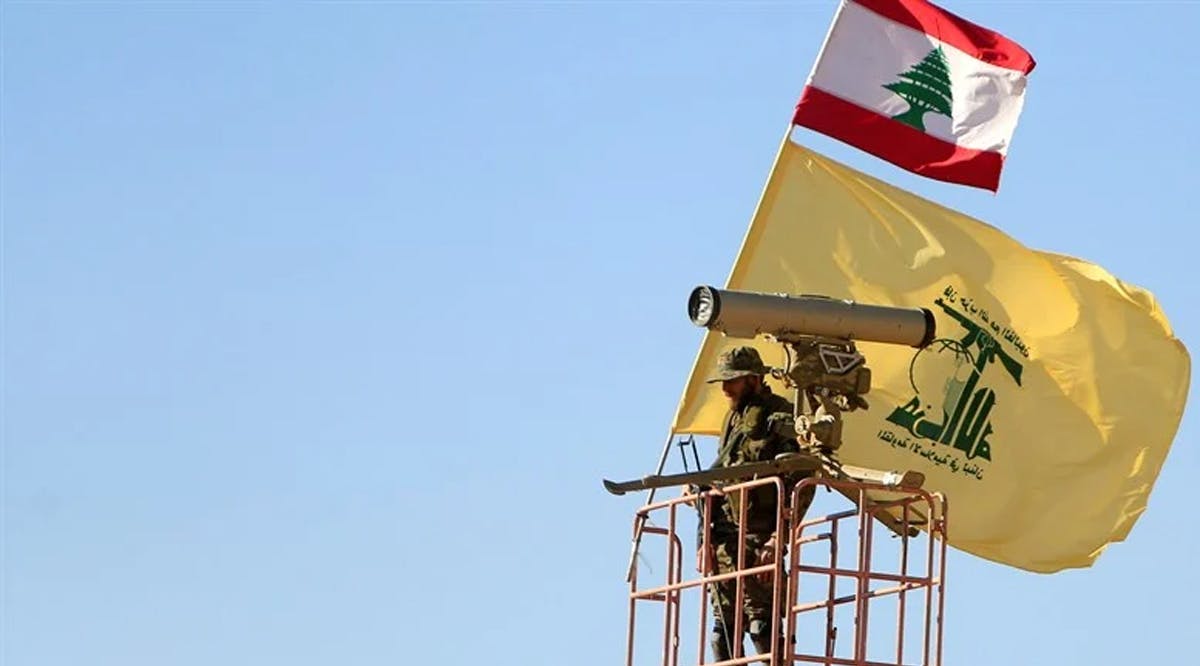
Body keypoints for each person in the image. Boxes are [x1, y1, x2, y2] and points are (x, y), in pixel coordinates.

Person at [696, 345, 815, 663]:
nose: (725, 389)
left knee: (762, 625)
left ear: (752, 379)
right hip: (726, 539)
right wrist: (703, 540)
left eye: (732, 381)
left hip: (762, 535)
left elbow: (803, 479)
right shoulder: (732, 419)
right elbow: (716, 479)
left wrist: (781, 536)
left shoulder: (780, 416)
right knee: (723, 629)